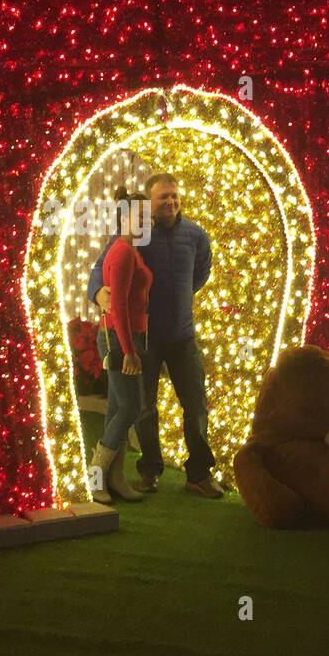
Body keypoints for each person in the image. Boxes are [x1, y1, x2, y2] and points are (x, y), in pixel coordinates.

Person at [89, 173, 223, 498]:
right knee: (143, 408)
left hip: (182, 337)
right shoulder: (137, 234)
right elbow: (99, 270)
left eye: (174, 196)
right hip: (143, 340)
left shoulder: (196, 236)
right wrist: (99, 295)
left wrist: (177, 300)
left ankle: (199, 474)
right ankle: (149, 470)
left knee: (196, 405)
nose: (171, 202)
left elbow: (201, 274)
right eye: (163, 197)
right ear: (149, 202)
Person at [90, 187, 152, 504]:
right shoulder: (123, 252)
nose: (144, 223)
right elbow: (119, 308)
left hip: (127, 336)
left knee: (117, 407)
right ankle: (95, 475)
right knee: (131, 406)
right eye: (139, 216)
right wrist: (129, 350)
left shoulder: (131, 249)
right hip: (120, 337)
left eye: (148, 218)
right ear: (125, 216)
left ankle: (114, 478)